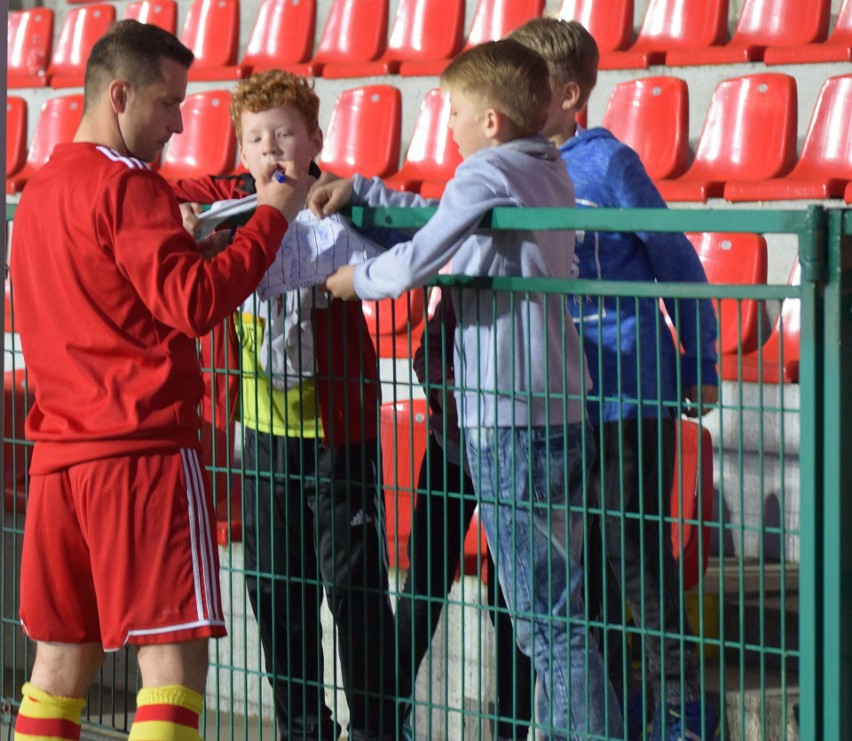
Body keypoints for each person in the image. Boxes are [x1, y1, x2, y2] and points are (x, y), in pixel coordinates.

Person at [9, 21, 310, 741]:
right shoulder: (129, 184)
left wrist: (190, 246)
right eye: (168, 103)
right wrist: (270, 217)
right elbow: (195, 303)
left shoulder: (39, 187)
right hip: (139, 455)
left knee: (55, 669)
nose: (177, 125)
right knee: (173, 665)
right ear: (120, 95)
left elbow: (117, 290)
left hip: (59, 461)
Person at [314, 39, 623, 740]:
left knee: (546, 622)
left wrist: (353, 281)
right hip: (559, 407)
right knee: (561, 613)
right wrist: (365, 191)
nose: (446, 123)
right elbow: (445, 221)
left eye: (453, 110)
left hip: (506, 415)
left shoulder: (485, 169)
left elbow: (423, 255)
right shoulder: (544, 166)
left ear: (489, 121)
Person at [509, 17, 720, 741]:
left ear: (569, 95)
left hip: (631, 397)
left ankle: (690, 720)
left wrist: (701, 362)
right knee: (583, 570)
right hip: (561, 402)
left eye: (529, 87)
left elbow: (679, 264)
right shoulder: (520, 168)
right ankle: (608, 720)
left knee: (638, 565)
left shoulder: (610, 165)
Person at [172, 69, 398, 741]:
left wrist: (362, 205)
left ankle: (378, 728)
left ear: (315, 140)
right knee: (274, 592)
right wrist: (184, 210)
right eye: (256, 139)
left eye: (285, 135)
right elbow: (165, 192)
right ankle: (303, 728)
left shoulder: (341, 201)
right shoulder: (233, 200)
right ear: (240, 154)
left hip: (340, 434)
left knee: (354, 590)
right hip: (262, 435)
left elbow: (415, 230)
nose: (271, 150)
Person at [396, 286, 533, 741]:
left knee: (510, 598)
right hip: (451, 450)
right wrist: (452, 396)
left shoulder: (534, 291)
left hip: (514, 458)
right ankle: (383, 717)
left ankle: (510, 729)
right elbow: (427, 351)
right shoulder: (465, 282)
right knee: (423, 588)